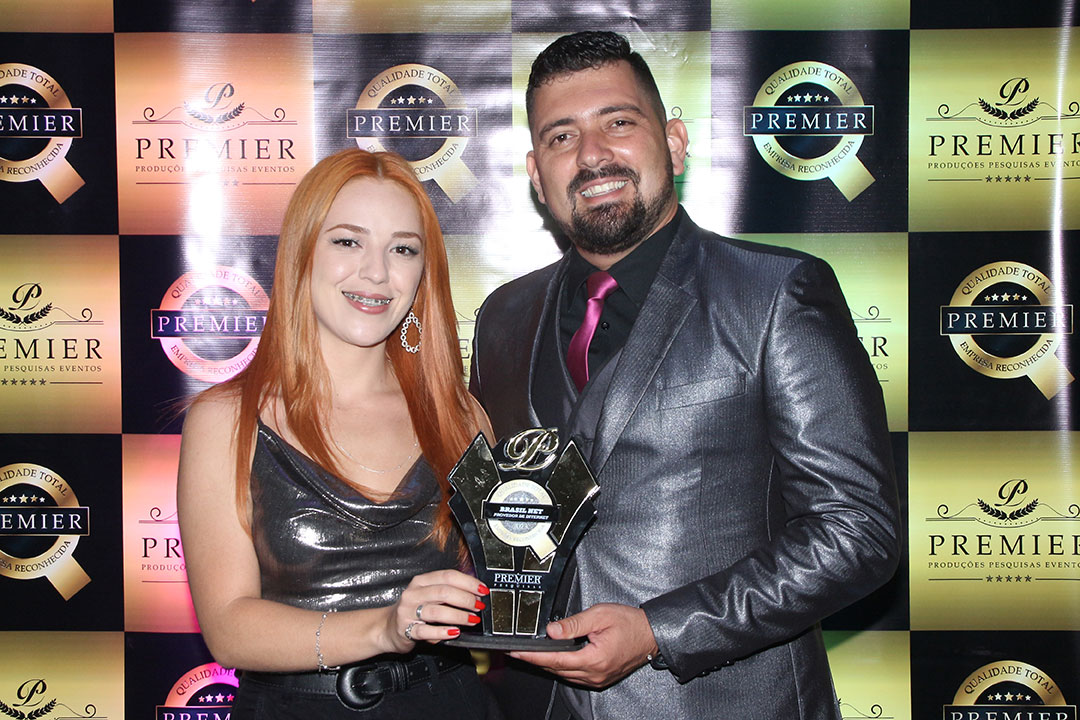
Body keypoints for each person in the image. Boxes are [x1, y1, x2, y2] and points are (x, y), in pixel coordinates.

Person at [469, 31, 900, 720]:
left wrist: (658, 631)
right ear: (536, 174)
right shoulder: (502, 317)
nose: (591, 154)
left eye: (618, 122)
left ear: (673, 143)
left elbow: (857, 531)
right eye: (561, 136)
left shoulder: (775, 294)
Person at [178, 148, 496, 718]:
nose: (376, 272)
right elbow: (228, 627)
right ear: (303, 252)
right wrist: (384, 628)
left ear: (423, 273)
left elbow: (506, 581)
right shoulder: (227, 420)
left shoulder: (462, 419)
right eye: (348, 241)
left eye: (403, 249)